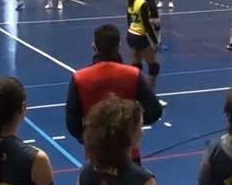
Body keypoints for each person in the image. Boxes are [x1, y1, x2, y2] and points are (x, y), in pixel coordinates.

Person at [65, 25, 164, 167]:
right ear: (119, 47)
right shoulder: (133, 75)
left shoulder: (80, 78)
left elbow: (72, 123)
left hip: (95, 156)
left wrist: (90, 139)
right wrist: (132, 128)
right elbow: (155, 111)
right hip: (129, 155)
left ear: (94, 47)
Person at [126, 0, 162, 90]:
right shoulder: (142, 4)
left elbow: (129, 22)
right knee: (154, 67)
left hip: (131, 35)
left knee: (137, 67)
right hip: (139, 37)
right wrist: (155, 41)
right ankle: (148, 95)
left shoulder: (130, 3)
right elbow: (146, 25)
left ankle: (134, 92)